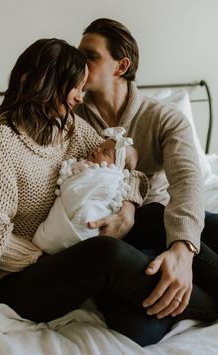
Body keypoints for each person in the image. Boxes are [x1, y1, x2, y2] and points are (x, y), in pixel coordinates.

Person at [0, 37, 217, 348]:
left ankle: (187, 267)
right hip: (12, 278)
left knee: (152, 214)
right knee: (105, 252)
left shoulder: (67, 128)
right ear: (42, 83)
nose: (80, 98)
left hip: (67, 247)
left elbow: (124, 170)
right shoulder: (1, 139)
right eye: (75, 87)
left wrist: (129, 207)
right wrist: (49, 252)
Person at [75, 17, 218, 340]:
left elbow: (187, 183)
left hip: (167, 224)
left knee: (190, 221)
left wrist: (182, 248)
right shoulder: (71, 121)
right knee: (138, 326)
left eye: (90, 55)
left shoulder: (164, 118)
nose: (77, 63)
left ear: (121, 65)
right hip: (117, 243)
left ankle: (182, 264)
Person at [33, 127, 147, 254]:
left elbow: (132, 175)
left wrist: (128, 211)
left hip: (92, 226)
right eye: (100, 146)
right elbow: (73, 190)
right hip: (55, 237)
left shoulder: (109, 176)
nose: (97, 148)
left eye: (105, 152)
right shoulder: (86, 164)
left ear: (115, 167)